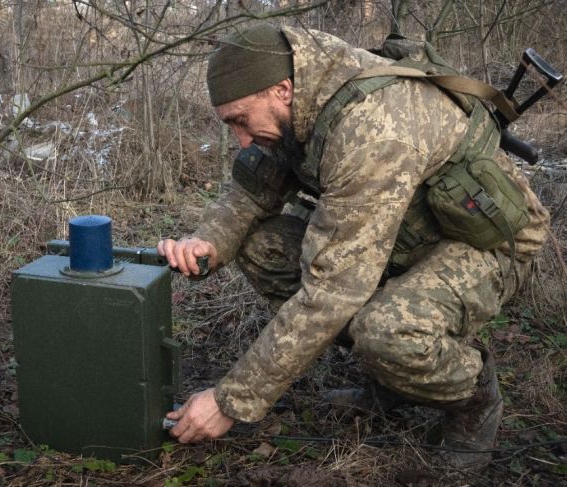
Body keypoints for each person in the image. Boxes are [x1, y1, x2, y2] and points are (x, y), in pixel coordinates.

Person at [156, 23, 549, 469]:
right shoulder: (301, 96)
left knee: (387, 330)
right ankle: (392, 380)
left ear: (281, 90)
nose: (241, 139)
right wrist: (207, 240)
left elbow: (331, 293)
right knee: (259, 246)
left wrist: (230, 401)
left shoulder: (372, 130)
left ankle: (475, 398)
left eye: (241, 121)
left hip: (486, 242)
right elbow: (251, 191)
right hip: (405, 233)